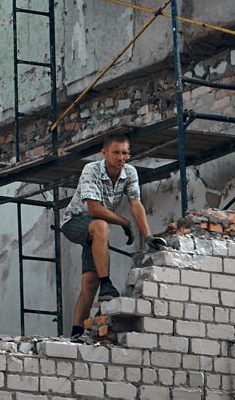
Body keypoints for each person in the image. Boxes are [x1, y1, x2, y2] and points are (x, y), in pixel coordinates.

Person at [60, 133, 165, 337]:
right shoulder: (91, 170)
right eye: (116, 152)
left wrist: (148, 236)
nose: (120, 157)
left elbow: (136, 203)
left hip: (96, 232)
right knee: (101, 225)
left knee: (90, 282)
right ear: (104, 152)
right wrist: (124, 222)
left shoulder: (130, 172)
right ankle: (107, 284)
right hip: (74, 222)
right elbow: (94, 209)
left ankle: (76, 333)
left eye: (125, 153)